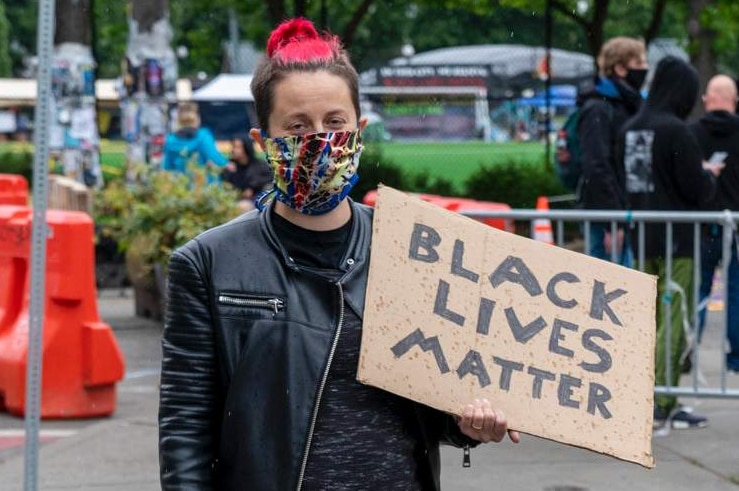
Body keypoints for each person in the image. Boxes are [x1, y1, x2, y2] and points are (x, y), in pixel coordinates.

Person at [158, 18, 519, 491]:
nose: (319, 141)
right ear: (262, 142)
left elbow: (434, 398)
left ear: (359, 130)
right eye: (297, 127)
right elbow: (186, 430)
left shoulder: (411, 251)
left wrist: (466, 424)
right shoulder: (207, 264)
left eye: (334, 123)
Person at [617, 56, 721, 430]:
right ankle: (663, 398)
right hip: (678, 239)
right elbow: (696, 188)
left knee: (648, 319)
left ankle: (644, 394)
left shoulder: (631, 128)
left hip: (642, 235)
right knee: (674, 320)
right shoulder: (678, 132)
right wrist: (708, 175)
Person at [578, 36, 648, 266]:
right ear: (619, 68)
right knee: (606, 284)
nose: (645, 70)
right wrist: (612, 221)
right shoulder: (598, 108)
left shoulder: (627, 105)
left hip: (622, 211)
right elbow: (597, 166)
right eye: (639, 65)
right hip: (607, 215)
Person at [689, 74, 739, 372]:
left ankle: (687, 350)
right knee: (735, 291)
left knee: (700, 289)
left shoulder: (691, 133)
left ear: (707, 100)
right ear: (734, 102)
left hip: (702, 223)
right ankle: (736, 357)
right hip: (735, 224)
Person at [162, 101, 228, 182]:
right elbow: (215, 159)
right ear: (196, 118)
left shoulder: (170, 140)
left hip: (180, 186)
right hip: (202, 185)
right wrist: (226, 163)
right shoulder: (202, 136)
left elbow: (166, 167)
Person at [221, 136, 272, 211]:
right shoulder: (231, 167)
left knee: (243, 206)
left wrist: (252, 187)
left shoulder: (259, 165)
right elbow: (228, 187)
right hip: (236, 201)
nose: (233, 150)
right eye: (233, 146)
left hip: (256, 201)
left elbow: (270, 178)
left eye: (237, 147)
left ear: (246, 148)